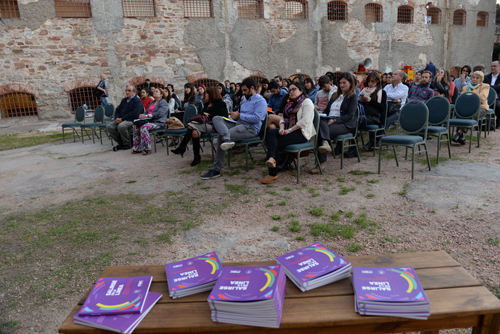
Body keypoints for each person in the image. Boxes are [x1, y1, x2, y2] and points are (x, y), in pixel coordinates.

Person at [201, 78, 267, 179]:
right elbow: (240, 115)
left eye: (245, 90)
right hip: (237, 123)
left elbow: (257, 119)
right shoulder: (244, 99)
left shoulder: (261, 101)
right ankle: (226, 138)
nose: (243, 93)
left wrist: (239, 115)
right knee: (217, 118)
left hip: (250, 129)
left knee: (220, 136)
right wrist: (233, 116)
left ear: (252, 88)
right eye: (243, 90)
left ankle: (216, 170)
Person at [260, 82, 315, 184]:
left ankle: (272, 173)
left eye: (294, 89)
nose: (291, 92)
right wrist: (281, 128)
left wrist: (289, 130)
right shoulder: (290, 103)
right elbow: (283, 118)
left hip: (301, 133)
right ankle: (272, 159)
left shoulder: (307, 102)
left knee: (276, 143)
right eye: (290, 90)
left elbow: (305, 121)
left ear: (301, 90)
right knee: (272, 132)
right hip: (289, 130)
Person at [314, 72, 359, 174]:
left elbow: (350, 115)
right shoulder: (335, 95)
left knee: (320, 132)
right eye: (340, 83)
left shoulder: (353, 96)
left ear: (350, 83)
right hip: (330, 121)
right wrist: (322, 116)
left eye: (344, 83)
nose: (342, 85)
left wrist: (335, 120)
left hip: (345, 123)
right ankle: (325, 144)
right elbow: (326, 110)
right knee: (320, 121)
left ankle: (320, 164)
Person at [172, 86, 228, 166]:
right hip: (203, 125)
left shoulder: (221, 104)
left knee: (191, 125)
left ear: (212, 94)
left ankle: (182, 147)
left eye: (207, 94)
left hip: (214, 126)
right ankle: (196, 157)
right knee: (194, 132)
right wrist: (203, 114)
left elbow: (223, 117)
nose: (205, 95)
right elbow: (201, 114)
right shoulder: (207, 104)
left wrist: (209, 115)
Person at [453, 71, 490, 145]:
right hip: (467, 108)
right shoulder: (466, 87)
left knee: (470, 113)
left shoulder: (485, 86)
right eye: (473, 77)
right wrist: (473, 97)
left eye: (477, 78)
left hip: (481, 107)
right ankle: (462, 136)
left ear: (481, 79)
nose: (475, 79)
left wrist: (469, 96)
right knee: (459, 112)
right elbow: (462, 99)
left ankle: (459, 132)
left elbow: (482, 97)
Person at [131, 88, 169, 155]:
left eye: (156, 91)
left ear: (161, 94)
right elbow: (147, 112)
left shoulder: (163, 102)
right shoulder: (152, 102)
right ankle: (137, 148)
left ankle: (147, 148)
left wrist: (147, 116)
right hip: (150, 121)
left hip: (160, 123)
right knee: (135, 126)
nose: (154, 92)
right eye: (154, 91)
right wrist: (143, 115)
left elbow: (159, 113)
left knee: (144, 127)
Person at [106, 86, 142, 151]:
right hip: (121, 119)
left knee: (121, 126)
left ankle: (127, 143)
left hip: (131, 120)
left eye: (129, 91)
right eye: (126, 90)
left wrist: (122, 119)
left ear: (134, 92)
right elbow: (117, 109)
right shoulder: (124, 100)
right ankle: (121, 142)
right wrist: (117, 118)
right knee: (109, 127)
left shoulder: (137, 101)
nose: (127, 92)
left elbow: (134, 113)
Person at [359, 72, 387, 151]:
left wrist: (370, 100)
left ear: (377, 81)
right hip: (364, 114)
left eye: (372, 81)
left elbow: (382, 107)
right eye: (369, 81)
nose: (370, 83)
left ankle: (371, 142)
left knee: (355, 120)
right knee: (353, 119)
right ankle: (371, 142)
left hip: (374, 117)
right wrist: (361, 100)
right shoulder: (364, 90)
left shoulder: (381, 92)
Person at [483, 61, 500, 129]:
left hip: (497, 98)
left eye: (494, 66)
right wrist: (496, 87)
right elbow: (483, 86)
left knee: (498, 106)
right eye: (491, 66)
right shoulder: (486, 77)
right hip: (486, 98)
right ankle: (485, 124)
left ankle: (498, 123)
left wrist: (489, 86)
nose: (492, 67)